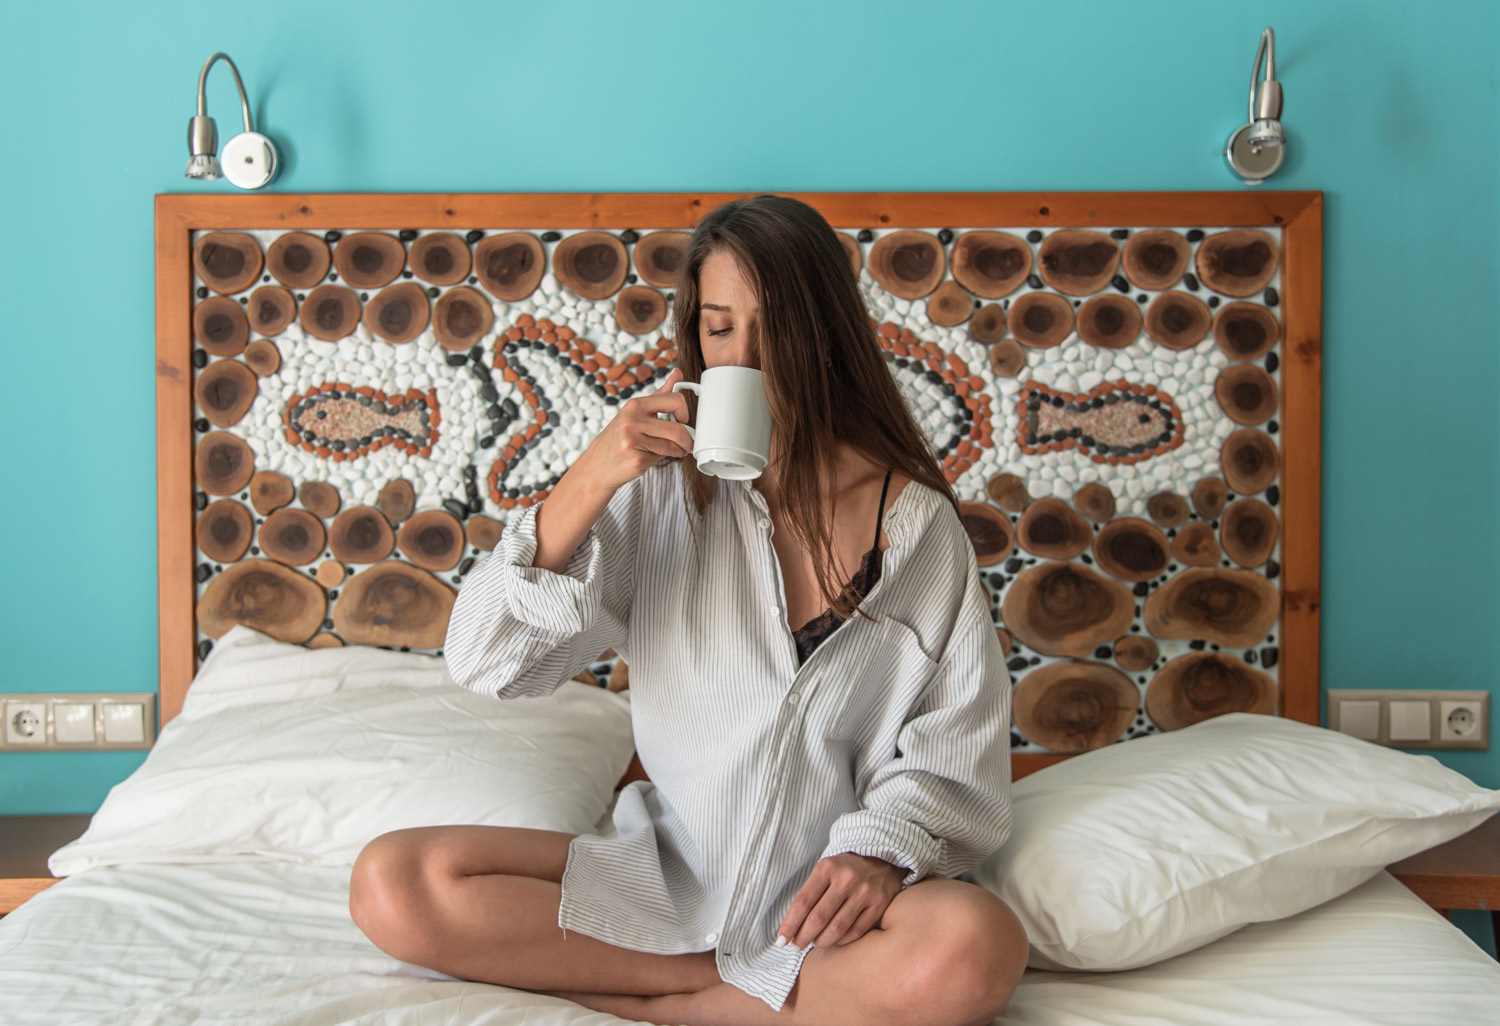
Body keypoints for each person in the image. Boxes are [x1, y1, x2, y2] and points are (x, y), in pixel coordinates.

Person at [349, 194, 1027, 1026]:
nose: (741, 357)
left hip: (831, 910)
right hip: (668, 879)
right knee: (394, 881)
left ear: (827, 332)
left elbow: (954, 753)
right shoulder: (660, 500)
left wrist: (880, 855)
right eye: (717, 328)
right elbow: (490, 663)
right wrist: (590, 477)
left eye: (772, 325)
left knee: (976, 943)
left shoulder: (918, 527)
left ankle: (674, 1001)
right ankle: (719, 997)